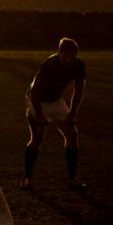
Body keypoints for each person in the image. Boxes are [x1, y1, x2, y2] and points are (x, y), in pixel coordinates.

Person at [21, 37, 88, 191]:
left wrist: (72, 113)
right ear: (60, 53)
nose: (69, 59)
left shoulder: (78, 65)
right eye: (66, 56)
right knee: (37, 137)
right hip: (37, 100)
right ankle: (26, 178)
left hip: (56, 101)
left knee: (72, 134)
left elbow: (78, 91)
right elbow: (36, 92)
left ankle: (73, 179)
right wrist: (38, 114)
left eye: (72, 56)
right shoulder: (49, 64)